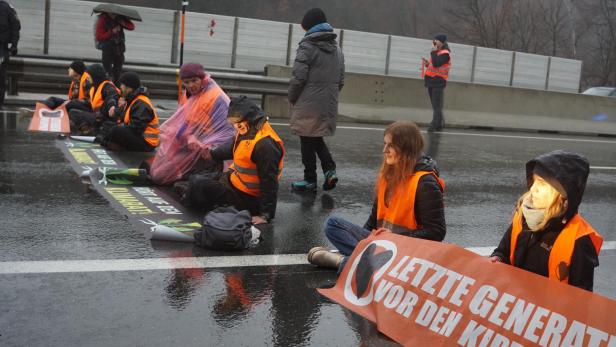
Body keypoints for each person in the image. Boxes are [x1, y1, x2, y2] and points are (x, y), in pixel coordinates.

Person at [307, 121, 446, 272]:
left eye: (390, 145)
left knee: (359, 243)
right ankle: (370, 262)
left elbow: (436, 232)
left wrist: (395, 237)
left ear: (407, 148)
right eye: (385, 144)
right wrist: (365, 240)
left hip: (409, 249)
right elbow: (372, 223)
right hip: (383, 245)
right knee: (333, 224)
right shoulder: (388, 175)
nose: (384, 150)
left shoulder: (425, 182)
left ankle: (347, 264)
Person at [490, 150, 603, 292]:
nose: (532, 189)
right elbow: (503, 252)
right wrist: (497, 259)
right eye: (534, 180)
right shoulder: (523, 216)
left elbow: (581, 297)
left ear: (563, 195)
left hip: (547, 312)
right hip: (515, 305)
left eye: (542, 184)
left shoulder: (579, 240)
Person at [179, 96, 285, 225]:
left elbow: (269, 181)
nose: (235, 126)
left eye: (238, 123)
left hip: (248, 197)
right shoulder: (248, 129)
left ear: (250, 118)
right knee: (195, 178)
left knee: (198, 183)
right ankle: (191, 192)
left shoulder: (265, 145)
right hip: (234, 181)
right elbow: (232, 147)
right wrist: (212, 154)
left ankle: (190, 196)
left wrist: (265, 215)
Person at [148, 63, 235, 185]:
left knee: (162, 177)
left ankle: (211, 172)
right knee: (158, 174)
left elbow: (229, 132)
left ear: (202, 78)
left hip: (208, 152)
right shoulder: (187, 95)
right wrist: (177, 136)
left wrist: (207, 146)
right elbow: (184, 122)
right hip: (188, 145)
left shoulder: (216, 97)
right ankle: (194, 175)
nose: (191, 85)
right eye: (186, 82)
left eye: (194, 80)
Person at [289, 8, 345, 192]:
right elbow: (341, 79)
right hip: (327, 102)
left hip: (308, 102)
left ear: (310, 27)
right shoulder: (337, 49)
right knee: (314, 138)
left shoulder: (307, 46)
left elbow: (298, 77)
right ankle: (329, 171)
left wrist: (293, 97)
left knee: (307, 139)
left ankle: (311, 179)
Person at [99, 71, 159, 152]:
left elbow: (136, 128)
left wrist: (119, 126)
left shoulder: (141, 103)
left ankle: (108, 144)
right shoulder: (132, 99)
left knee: (117, 130)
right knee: (109, 125)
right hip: (140, 137)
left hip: (146, 143)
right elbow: (122, 114)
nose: (120, 87)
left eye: (122, 85)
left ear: (129, 88)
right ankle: (107, 143)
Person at [69, 63, 120, 135]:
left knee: (74, 114)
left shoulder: (107, 86)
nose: (87, 78)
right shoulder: (94, 86)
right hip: (97, 115)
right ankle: (88, 130)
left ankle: (92, 131)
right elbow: (90, 102)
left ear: (95, 76)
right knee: (73, 107)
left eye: (89, 76)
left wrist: (112, 106)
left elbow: (112, 96)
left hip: (105, 118)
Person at [95, 12, 135, 84]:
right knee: (108, 73)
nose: (114, 15)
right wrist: (112, 32)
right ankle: (108, 88)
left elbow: (132, 27)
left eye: (115, 14)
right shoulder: (102, 20)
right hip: (107, 50)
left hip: (119, 50)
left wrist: (123, 24)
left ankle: (117, 90)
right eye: (112, 14)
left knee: (118, 73)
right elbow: (99, 37)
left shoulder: (120, 17)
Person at [423, 34, 451, 132]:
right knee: (435, 105)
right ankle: (439, 124)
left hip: (438, 82)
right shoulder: (437, 52)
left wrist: (433, 52)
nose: (434, 41)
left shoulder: (445, 53)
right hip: (431, 81)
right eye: (434, 39)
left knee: (437, 105)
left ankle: (434, 124)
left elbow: (436, 63)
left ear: (442, 42)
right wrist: (427, 64)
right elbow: (434, 65)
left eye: (437, 40)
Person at [0, 0, 20, 109]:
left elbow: (15, 26)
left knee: (1, 76)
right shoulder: (8, 8)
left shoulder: (7, 7)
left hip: (1, 47)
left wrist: (14, 45)